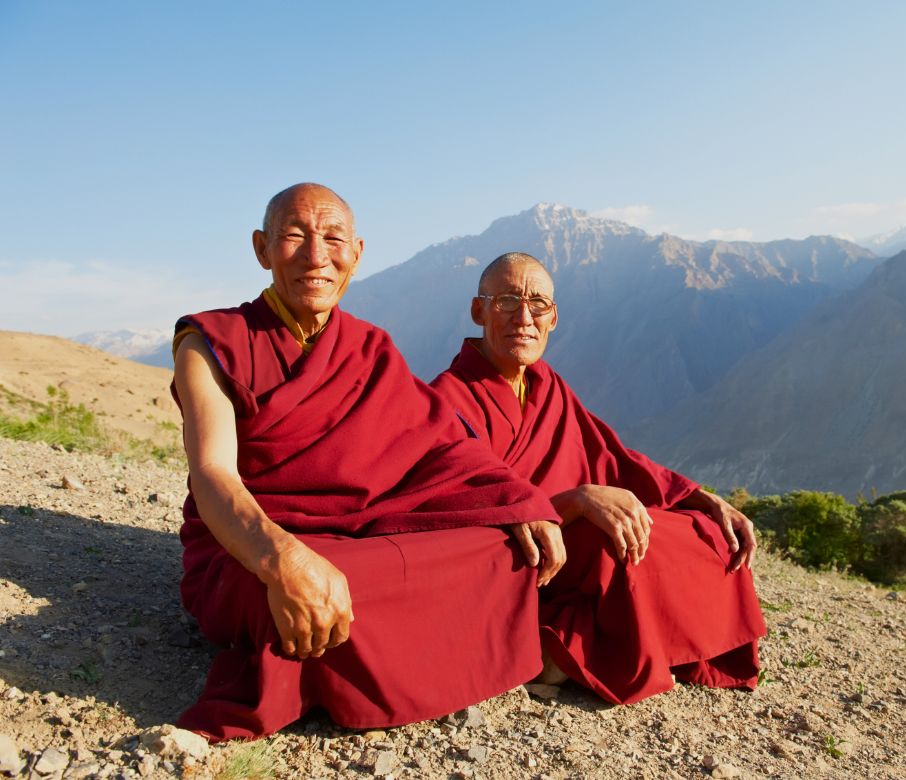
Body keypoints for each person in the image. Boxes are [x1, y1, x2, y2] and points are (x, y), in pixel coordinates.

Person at [171, 186, 565, 741]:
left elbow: (442, 447)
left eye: (333, 239)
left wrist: (517, 502)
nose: (316, 256)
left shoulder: (370, 349)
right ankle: (356, 658)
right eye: (294, 236)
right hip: (249, 544)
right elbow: (213, 475)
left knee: (499, 550)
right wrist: (281, 557)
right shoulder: (211, 342)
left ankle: (361, 645)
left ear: (356, 253)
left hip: (357, 539)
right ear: (262, 248)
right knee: (280, 595)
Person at [431, 252, 767, 704]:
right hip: (520, 559)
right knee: (612, 543)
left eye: (538, 305)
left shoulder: (547, 385)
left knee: (705, 534)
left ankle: (581, 646)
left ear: (554, 318)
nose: (523, 318)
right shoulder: (447, 400)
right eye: (507, 301)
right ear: (478, 310)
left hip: (570, 541)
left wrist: (699, 498)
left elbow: (614, 456)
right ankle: (564, 645)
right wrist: (572, 502)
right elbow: (463, 506)